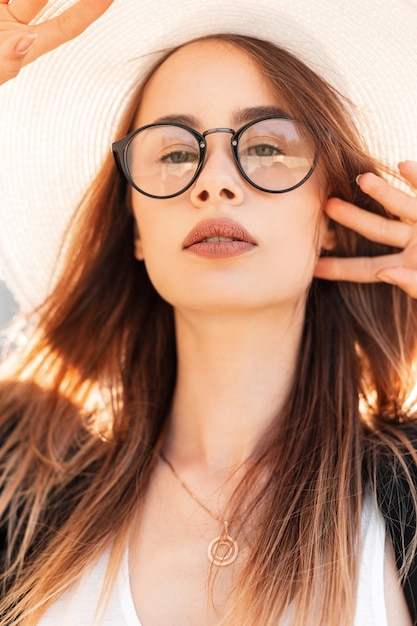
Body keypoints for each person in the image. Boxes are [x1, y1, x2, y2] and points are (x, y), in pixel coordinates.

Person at [0, 0, 417, 624]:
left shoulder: (409, 489)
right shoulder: (18, 468)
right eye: (173, 153)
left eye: (269, 146)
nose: (214, 182)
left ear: (330, 219)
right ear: (135, 228)